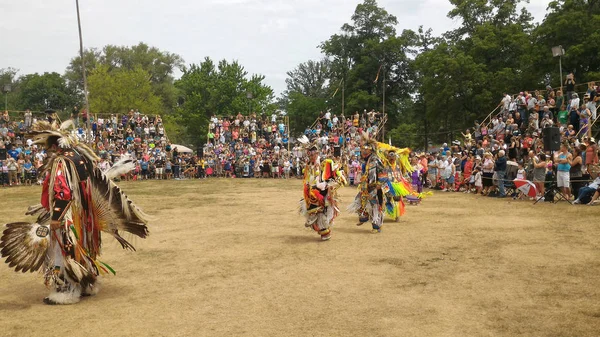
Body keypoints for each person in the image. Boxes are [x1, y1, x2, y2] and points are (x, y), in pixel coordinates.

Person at [0, 120, 149, 305]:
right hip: (84, 216)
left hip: (68, 217)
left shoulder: (62, 162)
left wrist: (56, 217)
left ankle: (66, 291)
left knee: (62, 251)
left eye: (48, 148)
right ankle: (88, 283)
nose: (47, 152)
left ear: (55, 145)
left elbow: (64, 192)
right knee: (83, 248)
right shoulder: (80, 158)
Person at [299, 142, 346, 241]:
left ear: (316, 153)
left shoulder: (325, 162)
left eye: (312, 154)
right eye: (308, 155)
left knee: (319, 209)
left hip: (324, 190)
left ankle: (324, 229)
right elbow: (307, 178)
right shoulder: (309, 165)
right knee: (314, 209)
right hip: (313, 191)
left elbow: (335, 176)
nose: (310, 157)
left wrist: (326, 185)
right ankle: (323, 230)